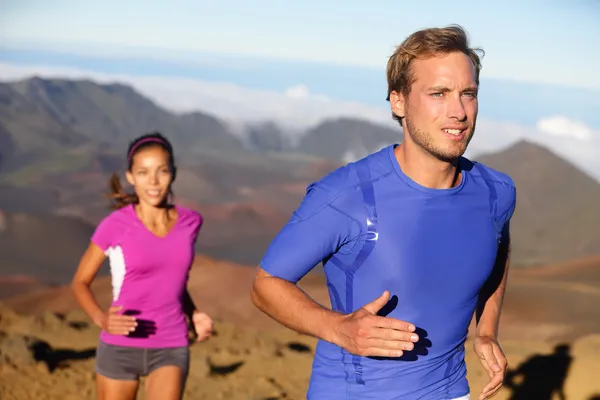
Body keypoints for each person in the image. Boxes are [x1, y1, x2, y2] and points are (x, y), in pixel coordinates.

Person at [251, 25, 516, 400]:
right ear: (399, 102)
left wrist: (486, 329)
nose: (458, 112)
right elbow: (265, 285)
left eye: (468, 94)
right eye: (438, 93)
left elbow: (500, 245)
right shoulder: (348, 195)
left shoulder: (496, 192)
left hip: (452, 392)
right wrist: (338, 328)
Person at [71, 132, 213, 400]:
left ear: (173, 173)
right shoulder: (114, 226)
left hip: (171, 342)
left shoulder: (190, 223)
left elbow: (173, 282)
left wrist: (193, 314)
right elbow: (80, 282)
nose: (154, 181)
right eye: (144, 172)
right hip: (121, 345)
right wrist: (102, 319)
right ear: (131, 177)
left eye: (162, 171)